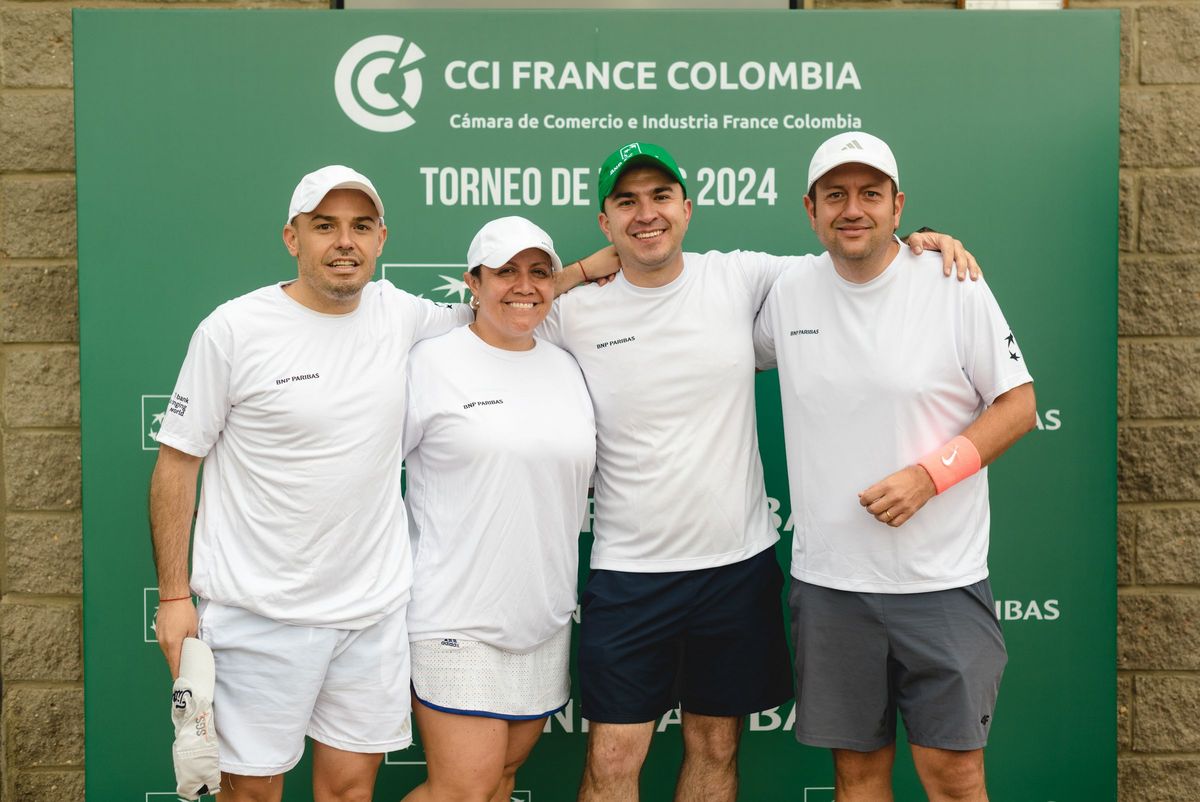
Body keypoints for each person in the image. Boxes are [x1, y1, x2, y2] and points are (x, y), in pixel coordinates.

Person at [534, 141, 981, 802]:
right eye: (626, 202)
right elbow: (489, 322)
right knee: (613, 758)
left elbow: (857, 253)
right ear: (606, 221)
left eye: (661, 197)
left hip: (735, 569)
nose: (646, 213)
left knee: (716, 748)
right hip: (628, 571)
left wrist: (923, 240)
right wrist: (574, 272)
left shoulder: (742, 277)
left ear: (688, 208)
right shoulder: (571, 312)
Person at [148, 167, 603, 802]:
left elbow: (502, 306)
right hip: (259, 613)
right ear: (292, 237)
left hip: (372, 614)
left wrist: (579, 271)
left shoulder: (400, 314)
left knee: (350, 793)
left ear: (381, 239)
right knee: (250, 794)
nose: (345, 242)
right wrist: (174, 595)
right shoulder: (233, 330)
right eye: (324, 226)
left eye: (360, 227)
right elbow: (177, 463)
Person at [753, 131, 1036, 802]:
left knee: (955, 778)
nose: (853, 209)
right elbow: (689, 317)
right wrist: (588, 273)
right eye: (836, 195)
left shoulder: (953, 283)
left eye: (870, 194)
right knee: (856, 779)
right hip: (831, 587)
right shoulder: (788, 291)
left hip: (941, 582)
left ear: (898, 206)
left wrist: (929, 477)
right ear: (811, 210)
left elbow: (1019, 406)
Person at [399, 216, 596, 802]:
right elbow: (366, 469)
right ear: (473, 282)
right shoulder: (430, 363)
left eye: (539, 272)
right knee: (464, 789)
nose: (524, 285)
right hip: (455, 615)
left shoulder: (567, 366)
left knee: (502, 781)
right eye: (506, 271)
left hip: (542, 616)